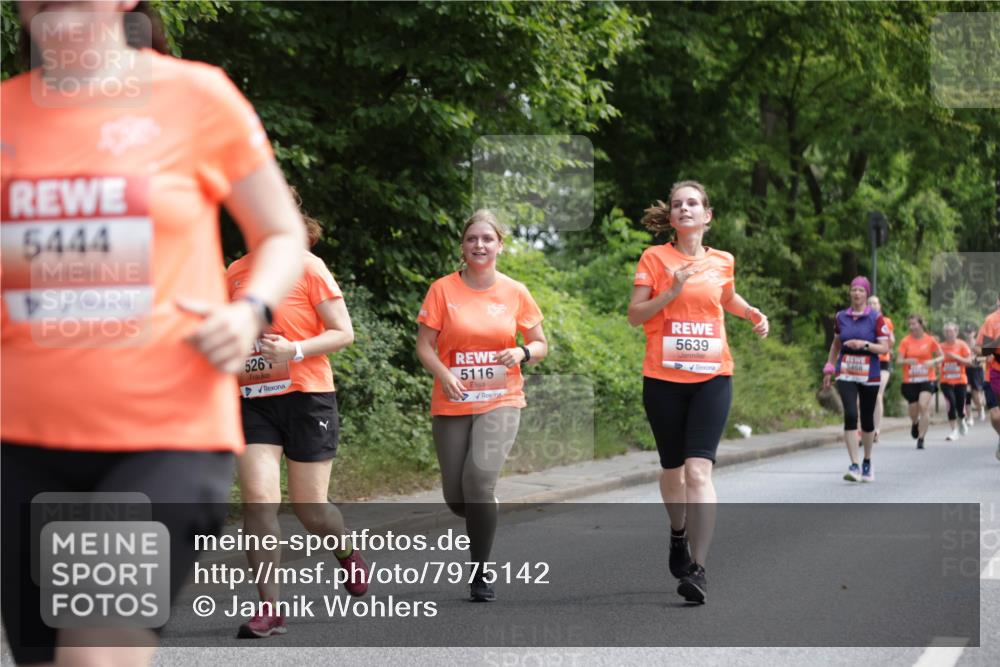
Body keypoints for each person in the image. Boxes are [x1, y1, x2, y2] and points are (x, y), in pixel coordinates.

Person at [1, 2, 305, 665]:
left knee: (94, 643)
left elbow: (280, 232)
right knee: (41, 654)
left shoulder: (195, 96)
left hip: (167, 430)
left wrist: (249, 307)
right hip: (20, 438)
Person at [227, 199, 367, 639]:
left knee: (311, 509)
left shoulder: (307, 266)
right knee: (259, 499)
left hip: (307, 397)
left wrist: (295, 350)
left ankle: (345, 551)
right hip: (253, 399)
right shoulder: (234, 272)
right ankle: (270, 608)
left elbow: (344, 332)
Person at [627, 181, 768, 605]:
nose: (684, 209)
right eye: (677, 204)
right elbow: (635, 316)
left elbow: (726, 296)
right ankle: (678, 534)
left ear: (707, 216)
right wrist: (670, 291)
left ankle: (699, 569)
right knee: (673, 472)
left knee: (698, 472)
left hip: (712, 376)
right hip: (663, 379)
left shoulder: (722, 260)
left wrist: (751, 312)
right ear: (671, 218)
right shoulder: (654, 259)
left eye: (693, 203)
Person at [416, 209, 548, 602]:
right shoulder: (442, 290)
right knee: (457, 498)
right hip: (453, 398)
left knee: (479, 480)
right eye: (472, 239)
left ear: (500, 245)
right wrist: (444, 373)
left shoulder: (515, 291)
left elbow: (541, 344)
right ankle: (481, 513)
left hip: (501, 398)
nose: (479, 245)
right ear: (463, 245)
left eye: (487, 239)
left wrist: (522, 352)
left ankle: (480, 571)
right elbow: (424, 345)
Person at [822, 278, 891, 482]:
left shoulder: (876, 319)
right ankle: (854, 465)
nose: (857, 293)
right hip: (846, 372)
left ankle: (867, 460)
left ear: (866, 294)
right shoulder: (841, 317)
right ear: (850, 293)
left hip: (869, 373)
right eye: (853, 289)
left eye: (861, 290)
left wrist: (864, 345)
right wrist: (829, 367)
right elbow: (836, 344)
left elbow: (885, 348)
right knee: (851, 414)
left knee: (867, 419)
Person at [897, 314, 944, 450]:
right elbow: (899, 360)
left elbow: (941, 356)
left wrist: (932, 361)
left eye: (914, 324)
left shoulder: (930, 340)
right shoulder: (905, 341)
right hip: (910, 380)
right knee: (913, 410)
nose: (911, 327)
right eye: (910, 324)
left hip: (927, 378)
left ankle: (921, 438)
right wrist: (907, 360)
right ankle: (915, 422)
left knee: (923, 405)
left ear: (921, 324)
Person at [975, 293, 1000, 460]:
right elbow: (978, 349)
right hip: (993, 373)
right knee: (995, 416)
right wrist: (989, 352)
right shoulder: (992, 321)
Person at [939, 322, 974, 441]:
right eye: (947, 331)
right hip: (946, 381)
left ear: (956, 332)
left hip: (960, 380)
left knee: (960, 406)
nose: (949, 334)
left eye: (952, 331)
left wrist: (955, 357)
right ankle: (953, 431)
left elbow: (969, 362)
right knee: (951, 404)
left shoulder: (962, 345)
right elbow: (936, 361)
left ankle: (962, 419)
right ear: (944, 333)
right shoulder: (941, 347)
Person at [867, 295, 895, 442]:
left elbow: (892, 340)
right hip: (867, 362)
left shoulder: (886, 321)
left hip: (883, 362)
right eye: (870, 303)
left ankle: (877, 429)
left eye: (875, 303)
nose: (872, 305)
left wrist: (884, 346)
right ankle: (866, 428)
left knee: (878, 393)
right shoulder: (862, 321)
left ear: (879, 306)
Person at [965, 325, 987, 426]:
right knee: (967, 393)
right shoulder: (963, 344)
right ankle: (969, 417)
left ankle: (980, 408)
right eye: (967, 332)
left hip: (977, 371)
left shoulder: (979, 344)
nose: (968, 334)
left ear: (974, 333)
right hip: (965, 371)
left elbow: (986, 358)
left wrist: (976, 359)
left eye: (970, 332)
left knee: (976, 395)